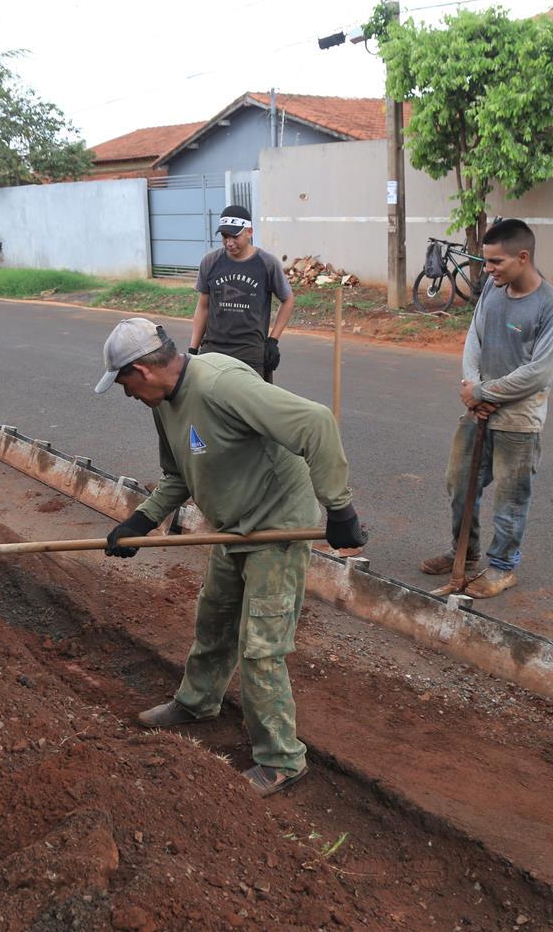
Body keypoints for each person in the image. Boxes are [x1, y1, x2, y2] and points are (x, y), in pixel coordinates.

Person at [94, 318, 366, 796]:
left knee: (261, 648)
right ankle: (198, 702)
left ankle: (282, 760)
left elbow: (315, 422)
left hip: (277, 528)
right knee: (215, 619)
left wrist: (338, 506)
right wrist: (142, 520)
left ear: (142, 370)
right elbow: (178, 473)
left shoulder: (221, 384)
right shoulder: (163, 403)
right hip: (232, 528)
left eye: (124, 382)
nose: (126, 393)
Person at [419, 218, 553, 598]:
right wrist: (472, 388)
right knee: (459, 483)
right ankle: (465, 555)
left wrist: (486, 391)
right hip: (478, 409)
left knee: (510, 496)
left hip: (519, 420)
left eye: (495, 262)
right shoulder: (491, 287)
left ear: (523, 257)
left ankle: (503, 568)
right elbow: (476, 337)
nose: (487, 270)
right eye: (485, 262)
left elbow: (538, 373)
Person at [189, 205, 295, 383]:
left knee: (251, 408)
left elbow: (288, 299)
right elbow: (203, 306)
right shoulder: (210, 262)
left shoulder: (267, 264)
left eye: (235, 236)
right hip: (213, 351)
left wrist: (273, 341)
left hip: (250, 353)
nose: (229, 242)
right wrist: (193, 349)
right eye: (224, 237)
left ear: (249, 232)